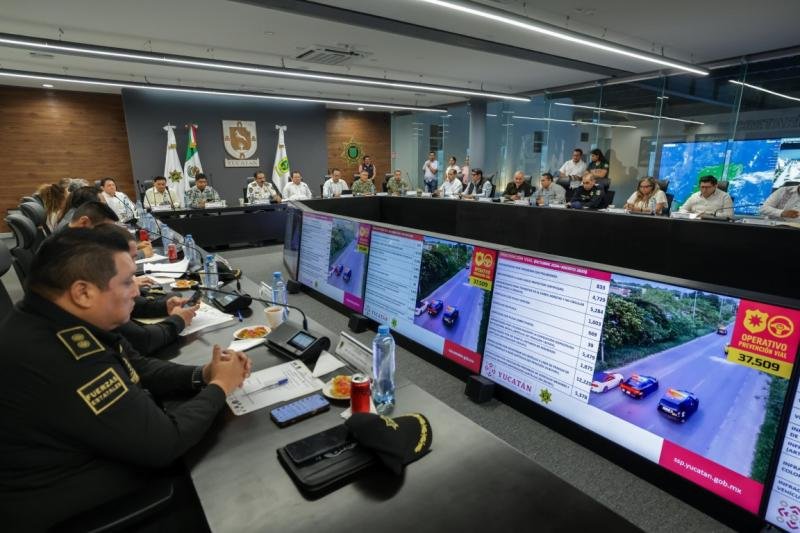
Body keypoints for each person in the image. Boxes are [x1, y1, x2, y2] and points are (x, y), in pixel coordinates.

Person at [0, 228, 250, 530]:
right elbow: (164, 442)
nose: (136, 292)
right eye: (127, 281)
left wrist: (203, 374)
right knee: (224, 474)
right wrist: (220, 386)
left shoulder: (52, 319)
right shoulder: (62, 354)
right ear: (83, 293)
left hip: (74, 462)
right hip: (70, 508)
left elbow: (139, 366)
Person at [95, 223, 198, 356]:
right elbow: (142, 340)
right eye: (131, 258)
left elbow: (135, 306)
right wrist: (178, 321)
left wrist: (164, 307)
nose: (136, 292)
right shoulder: (100, 288)